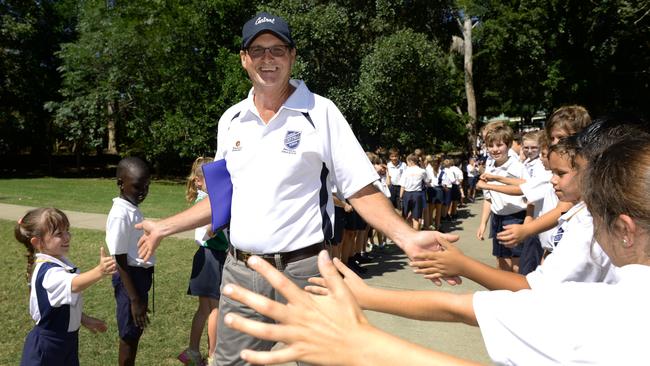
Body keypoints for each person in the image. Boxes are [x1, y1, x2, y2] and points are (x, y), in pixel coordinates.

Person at [135, 12, 459, 365]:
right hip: (242, 269)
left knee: (318, 360)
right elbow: (222, 199)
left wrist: (407, 237)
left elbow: (360, 188)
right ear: (244, 59)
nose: (267, 59)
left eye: (277, 49)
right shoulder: (230, 119)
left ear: (292, 55)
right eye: (257, 50)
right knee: (232, 362)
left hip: (306, 270)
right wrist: (164, 227)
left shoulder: (321, 112)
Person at [220, 134, 650, 366]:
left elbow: (472, 308)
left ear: (625, 230)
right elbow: (473, 309)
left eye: (596, 212)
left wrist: (362, 344)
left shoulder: (607, 311)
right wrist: (368, 300)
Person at [16, 207, 116, 366]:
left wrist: (83, 318)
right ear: (37, 242)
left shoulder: (61, 262)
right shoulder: (49, 272)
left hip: (67, 342)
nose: (67, 237)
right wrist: (100, 271)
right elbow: (74, 285)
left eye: (67, 231)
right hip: (48, 346)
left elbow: (61, 302)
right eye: (58, 234)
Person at [178, 157, 229, 366]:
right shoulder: (205, 203)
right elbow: (203, 234)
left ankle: (192, 351)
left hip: (208, 257)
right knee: (214, 310)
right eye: (212, 180)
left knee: (205, 309)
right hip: (210, 258)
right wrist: (217, 225)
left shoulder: (209, 200)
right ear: (198, 182)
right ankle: (213, 355)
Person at [105, 156, 153, 366]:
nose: (142, 191)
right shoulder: (120, 213)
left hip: (139, 278)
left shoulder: (131, 207)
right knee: (128, 336)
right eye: (137, 187)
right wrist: (134, 299)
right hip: (129, 279)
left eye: (146, 186)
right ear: (120, 184)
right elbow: (119, 257)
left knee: (135, 332)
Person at [477, 121, 529, 272]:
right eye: (491, 146)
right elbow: (488, 198)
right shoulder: (490, 164)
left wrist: (492, 183)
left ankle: (518, 293)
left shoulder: (517, 166)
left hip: (515, 217)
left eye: (499, 145)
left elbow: (524, 188)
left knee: (517, 264)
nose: (495, 149)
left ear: (508, 145)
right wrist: (483, 223)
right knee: (501, 262)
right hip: (498, 217)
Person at [399, 153, 428, 230]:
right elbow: (427, 181)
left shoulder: (406, 171)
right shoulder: (422, 171)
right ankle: (416, 234)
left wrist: (400, 197)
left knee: (404, 215)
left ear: (410, 161)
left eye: (407, 162)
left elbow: (402, 186)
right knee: (416, 216)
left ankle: (406, 233)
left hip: (407, 194)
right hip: (417, 194)